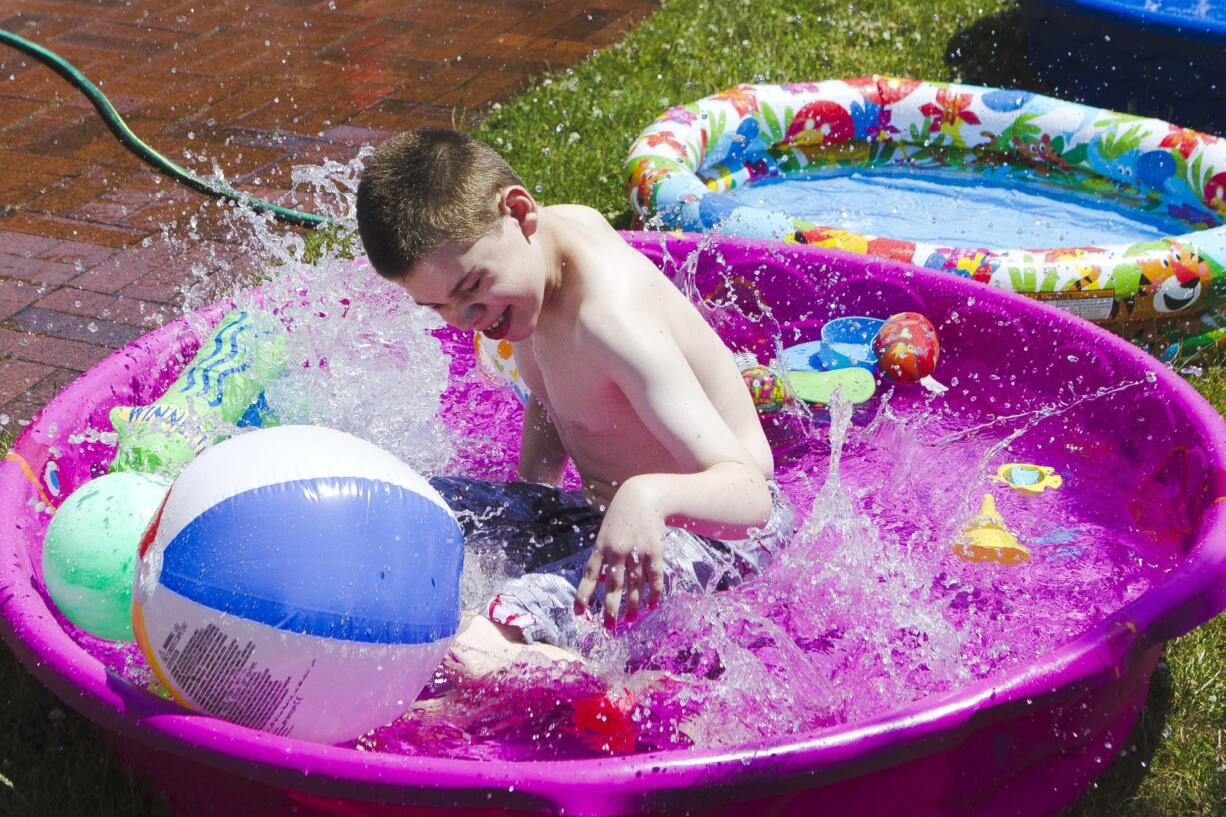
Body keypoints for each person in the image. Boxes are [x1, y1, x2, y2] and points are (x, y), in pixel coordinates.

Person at [355, 127, 795, 678]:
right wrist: (529, 508)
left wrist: (647, 498)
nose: (465, 320)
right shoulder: (530, 266)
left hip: (717, 538)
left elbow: (753, 494)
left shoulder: (612, 318)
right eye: (436, 306)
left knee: (477, 646)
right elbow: (558, 396)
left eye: (470, 290)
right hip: (613, 520)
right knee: (399, 507)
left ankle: (598, 685)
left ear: (518, 211)